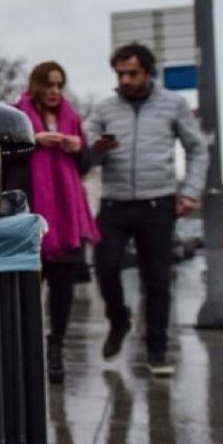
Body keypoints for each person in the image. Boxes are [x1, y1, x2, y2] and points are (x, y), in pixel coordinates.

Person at [88, 42, 208, 376]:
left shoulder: (173, 104)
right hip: (114, 203)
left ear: (148, 73)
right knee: (106, 267)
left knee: (156, 280)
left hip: (158, 203)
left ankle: (157, 350)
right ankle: (118, 320)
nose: (125, 80)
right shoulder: (104, 109)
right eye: (120, 74)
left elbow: (197, 149)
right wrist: (98, 148)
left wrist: (190, 193)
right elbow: (85, 157)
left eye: (132, 74)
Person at [10, 61, 101, 384]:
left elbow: (85, 165)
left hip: (66, 219)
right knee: (25, 290)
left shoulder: (72, 117)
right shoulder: (16, 115)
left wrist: (79, 148)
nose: (55, 91)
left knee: (63, 289)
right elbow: (2, 157)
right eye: (49, 84)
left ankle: (56, 348)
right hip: (30, 215)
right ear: (36, 85)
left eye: (60, 85)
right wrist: (33, 141)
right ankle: (24, 350)